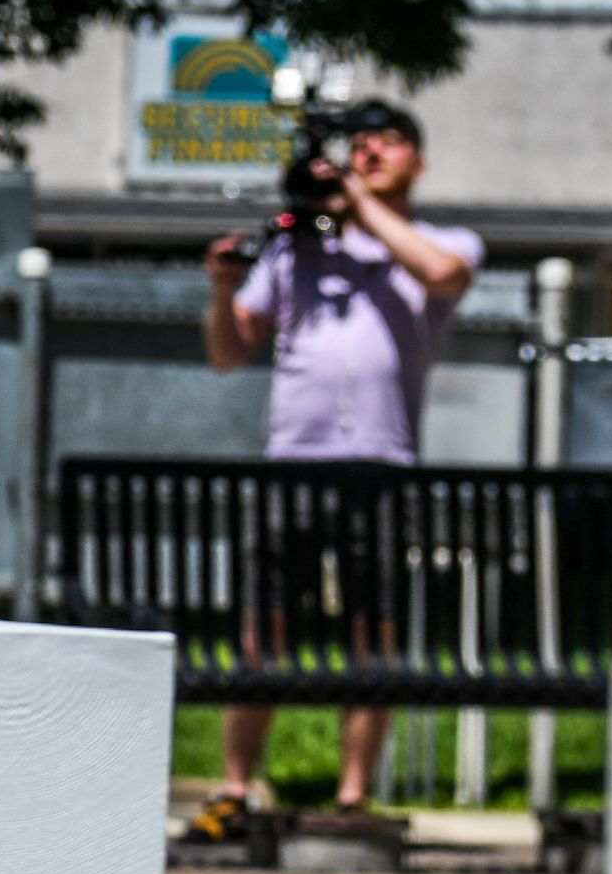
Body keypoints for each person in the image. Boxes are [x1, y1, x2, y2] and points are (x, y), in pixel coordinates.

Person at [198, 100, 481, 818]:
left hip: (381, 465)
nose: (371, 153)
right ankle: (235, 788)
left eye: (390, 143)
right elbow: (230, 355)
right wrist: (225, 287)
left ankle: (351, 798)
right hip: (294, 459)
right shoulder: (296, 251)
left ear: (419, 162)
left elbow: (443, 272)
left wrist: (353, 199)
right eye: (361, 145)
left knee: (371, 636)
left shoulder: (438, 243)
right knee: (263, 633)